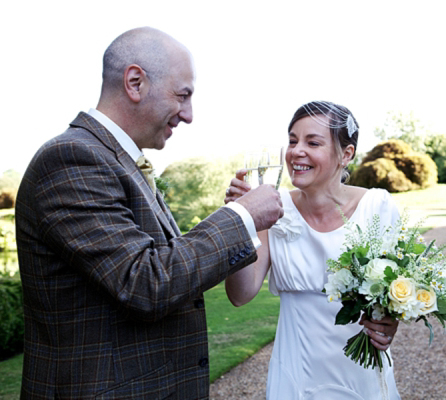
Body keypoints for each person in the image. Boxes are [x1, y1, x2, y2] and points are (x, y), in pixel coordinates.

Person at [15, 27, 283, 400]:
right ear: (135, 82)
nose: (188, 115)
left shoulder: (116, 161)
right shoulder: (72, 159)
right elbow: (145, 282)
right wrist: (241, 217)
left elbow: (157, 263)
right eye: (183, 95)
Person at [224, 101, 402, 399]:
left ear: (346, 154)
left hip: (360, 374)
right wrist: (241, 220)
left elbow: (395, 291)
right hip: (295, 375)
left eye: (312, 142)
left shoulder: (379, 207)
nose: (296, 151)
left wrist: (389, 322)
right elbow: (240, 295)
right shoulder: (271, 209)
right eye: (292, 140)